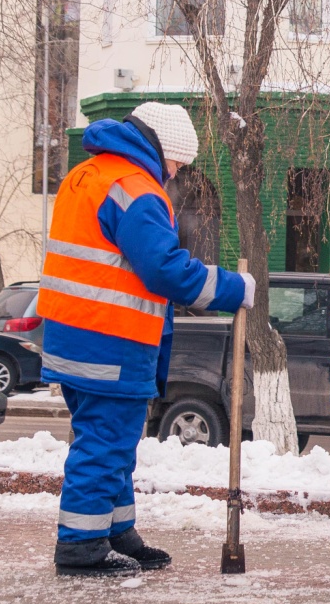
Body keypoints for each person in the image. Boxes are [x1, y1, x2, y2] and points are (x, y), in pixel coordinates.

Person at [38, 102, 250, 578]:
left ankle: (116, 530)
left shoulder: (87, 175)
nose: (175, 173)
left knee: (111, 440)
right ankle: (81, 546)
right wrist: (234, 287)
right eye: (175, 162)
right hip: (109, 339)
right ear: (159, 148)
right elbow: (164, 269)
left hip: (75, 333)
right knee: (104, 442)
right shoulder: (136, 190)